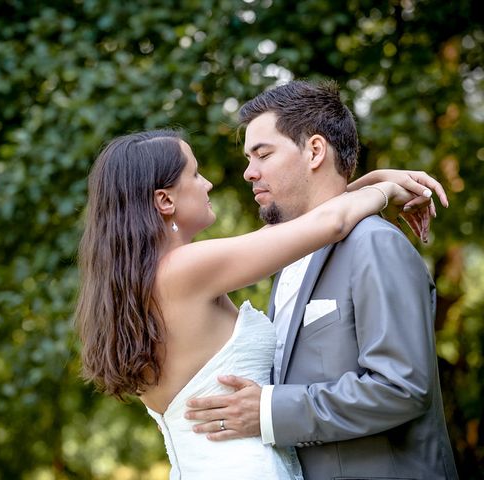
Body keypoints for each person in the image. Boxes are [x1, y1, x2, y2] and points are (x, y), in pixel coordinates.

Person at [76, 125, 445, 479]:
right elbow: (327, 225)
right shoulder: (185, 269)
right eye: (195, 174)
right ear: (165, 200)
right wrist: (385, 191)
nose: (207, 183)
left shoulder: (149, 280)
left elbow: (296, 228)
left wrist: (371, 181)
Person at [184, 80, 459, 479]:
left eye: (262, 154)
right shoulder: (289, 254)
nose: (248, 172)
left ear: (314, 151)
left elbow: (401, 387)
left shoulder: (375, 244)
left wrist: (267, 410)